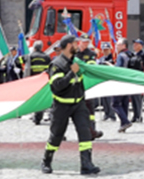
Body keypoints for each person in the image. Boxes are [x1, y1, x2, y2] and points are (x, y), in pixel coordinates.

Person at [40, 36, 101, 175]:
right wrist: (71, 73)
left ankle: (86, 164)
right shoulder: (56, 64)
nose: (77, 45)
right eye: (75, 43)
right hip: (61, 106)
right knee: (56, 136)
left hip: (78, 104)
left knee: (85, 132)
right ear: (68, 45)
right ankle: (46, 161)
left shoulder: (77, 61)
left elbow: (80, 82)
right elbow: (57, 86)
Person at [26, 41, 52, 124]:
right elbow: (50, 69)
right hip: (43, 80)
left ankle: (36, 117)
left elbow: (24, 65)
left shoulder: (31, 56)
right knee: (41, 98)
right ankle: (38, 117)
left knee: (35, 98)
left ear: (34, 47)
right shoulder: (47, 57)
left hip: (33, 80)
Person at [129, 39, 144, 122]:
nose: (134, 45)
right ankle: (135, 115)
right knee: (133, 98)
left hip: (138, 77)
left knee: (137, 98)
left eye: (136, 44)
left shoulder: (142, 55)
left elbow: (142, 65)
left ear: (141, 46)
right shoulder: (133, 54)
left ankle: (139, 115)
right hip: (133, 78)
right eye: (134, 44)